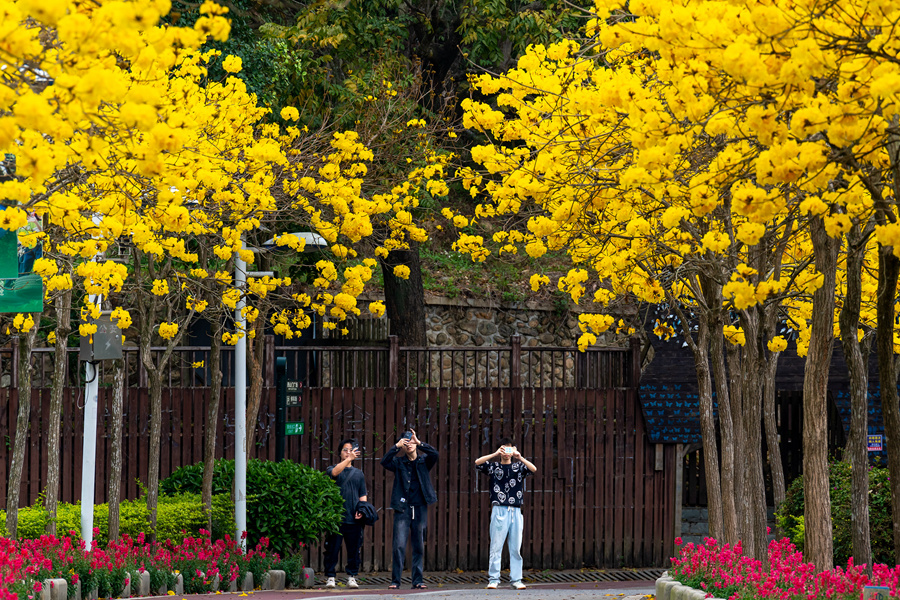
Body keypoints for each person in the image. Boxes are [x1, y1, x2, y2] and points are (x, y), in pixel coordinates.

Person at [474, 437, 538, 590]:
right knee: (496, 546)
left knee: (516, 547)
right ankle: (494, 578)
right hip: (499, 509)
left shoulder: (518, 467)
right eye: (504, 449)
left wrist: (519, 456)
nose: (506, 452)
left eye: (509, 449)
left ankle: (516, 579)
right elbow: (477, 462)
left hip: (515, 510)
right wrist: (495, 454)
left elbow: (533, 469)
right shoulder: (493, 466)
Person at [381, 428, 438, 590]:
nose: (410, 444)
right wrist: (396, 446)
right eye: (406, 442)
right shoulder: (399, 463)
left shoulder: (424, 461)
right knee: (399, 545)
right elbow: (385, 462)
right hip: (402, 507)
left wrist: (420, 443)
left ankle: (418, 580)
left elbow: (435, 454)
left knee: (418, 545)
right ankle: (395, 581)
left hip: (420, 507)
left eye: (412, 441)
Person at [324, 438, 368, 589]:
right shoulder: (332, 468)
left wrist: (362, 510)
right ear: (340, 453)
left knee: (354, 550)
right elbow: (335, 473)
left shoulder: (359, 474)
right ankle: (330, 577)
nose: (348, 452)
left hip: (353, 518)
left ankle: (352, 577)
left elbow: (363, 495)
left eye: (351, 449)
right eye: (345, 450)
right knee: (332, 549)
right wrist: (348, 459)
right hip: (336, 518)